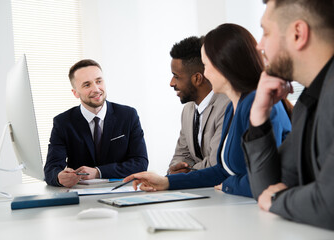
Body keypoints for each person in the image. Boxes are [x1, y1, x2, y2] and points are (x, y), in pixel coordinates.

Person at [124, 23, 291, 197]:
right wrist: (166, 181)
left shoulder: (258, 104)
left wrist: (229, 184)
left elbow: (262, 182)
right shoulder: (234, 107)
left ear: (224, 66)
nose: (205, 74)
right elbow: (222, 171)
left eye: (206, 65)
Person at [241, 0, 334, 230]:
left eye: (266, 32)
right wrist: (259, 116)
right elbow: (268, 188)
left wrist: (277, 199)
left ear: (297, 34)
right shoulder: (308, 100)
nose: (259, 46)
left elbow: (329, 203)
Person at [44, 59, 148, 187]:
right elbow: (50, 169)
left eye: (99, 81)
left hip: (122, 190)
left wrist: (98, 172)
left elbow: (140, 163)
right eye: (87, 85)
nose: (96, 89)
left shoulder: (128, 115)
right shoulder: (63, 122)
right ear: (75, 93)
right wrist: (59, 177)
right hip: (82, 196)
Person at [168, 36, 229, 174]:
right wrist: (175, 169)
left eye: (176, 76)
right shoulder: (188, 110)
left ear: (197, 78)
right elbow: (181, 155)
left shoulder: (227, 106)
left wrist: (187, 173)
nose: (171, 83)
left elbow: (216, 162)